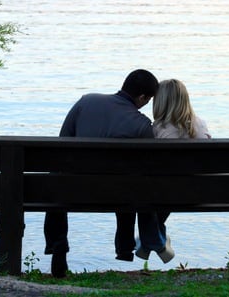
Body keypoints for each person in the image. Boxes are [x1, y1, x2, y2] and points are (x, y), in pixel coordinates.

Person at [44, 69, 171, 278]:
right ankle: (124, 247)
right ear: (142, 98)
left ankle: (58, 247)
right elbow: (148, 168)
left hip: (73, 191)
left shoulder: (86, 102)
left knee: (57, 178)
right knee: (132, 180)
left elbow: (61, 144)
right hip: (119, 196)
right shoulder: (141, 125)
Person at [135, 78, 211, 262]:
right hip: (200, 192)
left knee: (141, 189)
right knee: (167, 186)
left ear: (159, 102)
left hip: (166, 194)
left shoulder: (157, 129)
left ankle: (153, 242)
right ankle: (149, 242)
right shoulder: (200, 124)